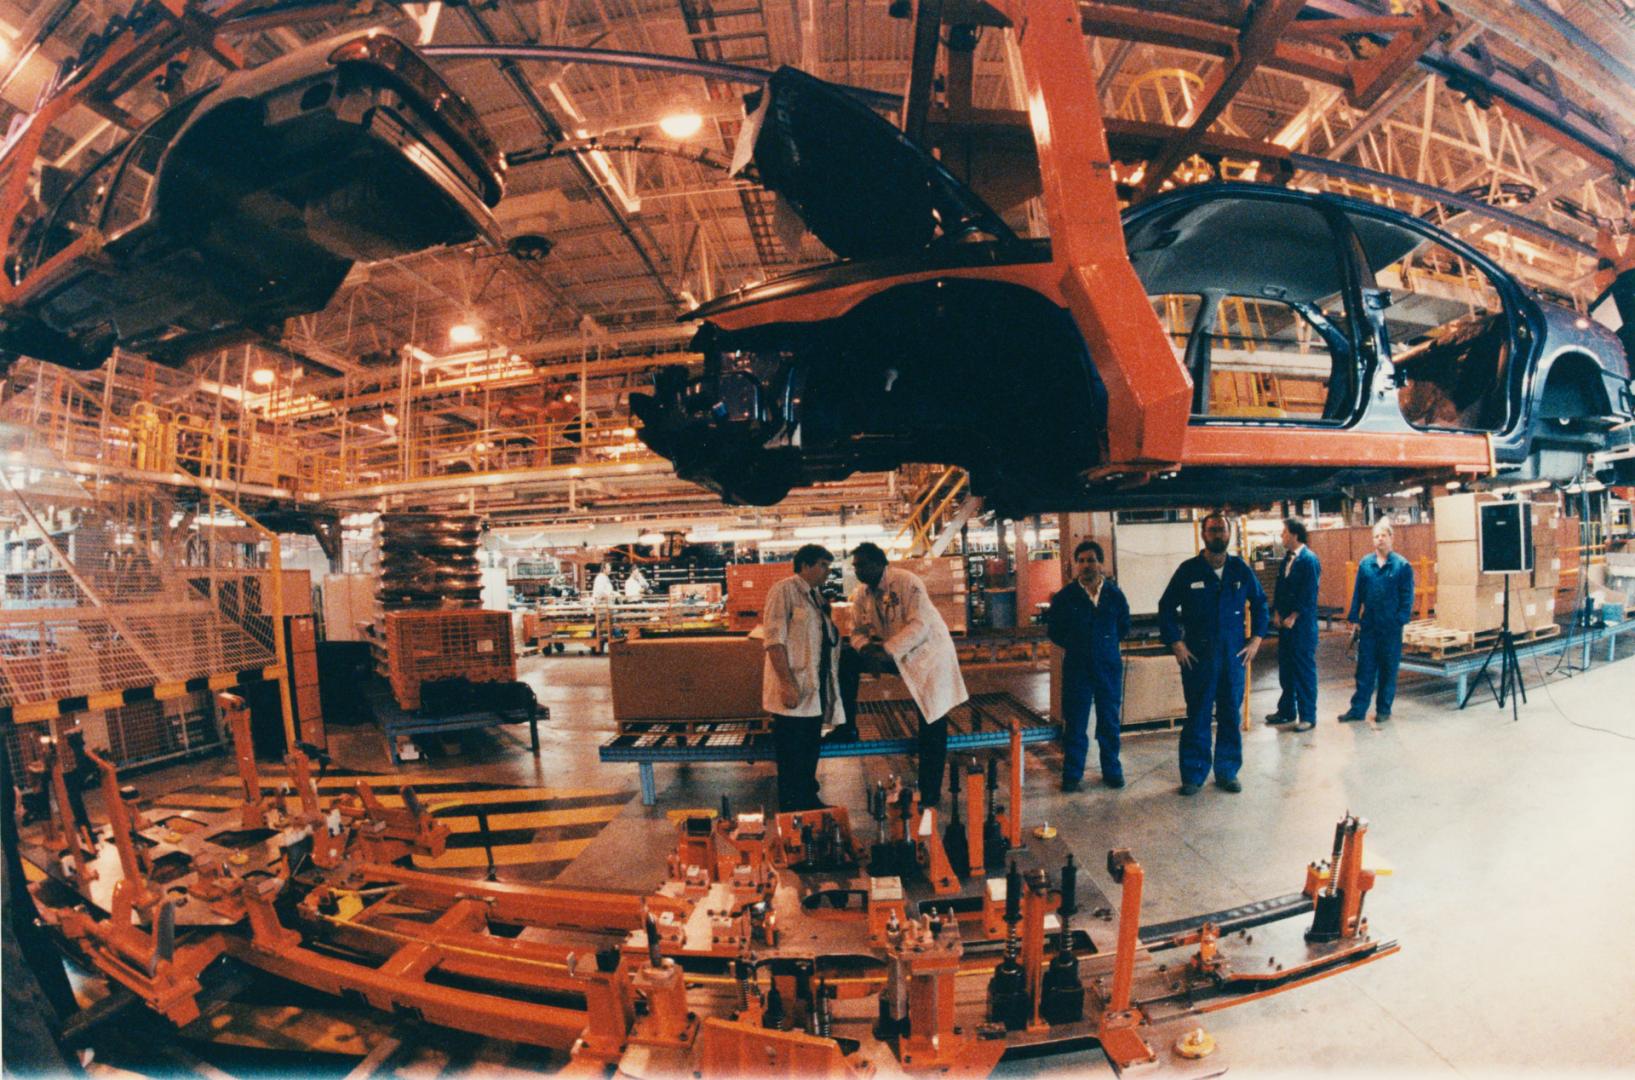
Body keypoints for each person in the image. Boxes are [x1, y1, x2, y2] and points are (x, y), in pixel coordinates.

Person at [840, 542, 968, 805]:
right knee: (845, 658)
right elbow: (856, 631)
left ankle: (931, 794)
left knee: (932, 723)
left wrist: (884, 651)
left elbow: (920, 626)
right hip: (896, 654)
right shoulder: (863, 594)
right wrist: (865, 650)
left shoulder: (907, 582)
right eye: (855, 567)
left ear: (879, 563)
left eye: (862, 565)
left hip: (927, 656)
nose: (858, 571)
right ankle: (847, 727)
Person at [1157, 512, 1270, 796]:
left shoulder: (1240, 570)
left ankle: (1227, 772)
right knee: (1198, 714)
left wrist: (1256, 639)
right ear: (1204, 534)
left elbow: (1260, 604)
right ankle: (1193, 775)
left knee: (1230, 714)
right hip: (1198, 658)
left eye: (1222, 530)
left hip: (1233, 656)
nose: (1218, 534)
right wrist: (1176, 643)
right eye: (1213, 530)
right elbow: (1166, 607)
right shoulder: (1188, 570)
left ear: (1229, 535)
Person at [760, 544, 843, 811]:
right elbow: (774, 640)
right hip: (793, 687)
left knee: (809, 750)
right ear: (805, 566)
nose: (827, 572)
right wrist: (786, 683)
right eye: (823, 565)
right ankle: (792, 808)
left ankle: (808, 800)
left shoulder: (816, 597)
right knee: (792, 754)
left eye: (829, 566)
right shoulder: (784, 590)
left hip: (814, 690)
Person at [1046, 539, 1131, 791]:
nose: (1086, 565)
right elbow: (1055, 631)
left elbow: (1123, 626)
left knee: (1109, 720)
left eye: (1091, 560)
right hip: (1077, 668)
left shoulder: (1115, 595)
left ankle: (1112, 770)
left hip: (1108, 667)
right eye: (1081, 561)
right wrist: (1078, 644)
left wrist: (1103, 645)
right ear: (1076, 565)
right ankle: (1072, 774)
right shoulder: (1065, 597)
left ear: (1101, 563)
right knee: (1075, 722)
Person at [1341, 520, 1415, 723]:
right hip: (1369, 627)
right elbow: (1358, 593)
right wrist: (1354, 617)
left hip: (1390, 628)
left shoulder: (1401, 565)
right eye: (1376, 536)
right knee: (1364, 669)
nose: (1379, 539)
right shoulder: (1366, 564)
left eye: (1383, 535)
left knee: (1388, 670)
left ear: (1391, 538)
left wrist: (1400, 619)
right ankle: (1357, 710)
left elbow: (1407, 596)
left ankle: (1383, 709)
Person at [1266, 518, 1321, 733]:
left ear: (1295, 535)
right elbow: (1280, 588)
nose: (1282, 536)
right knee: (1286, 669)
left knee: (1303, 671)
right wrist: (1278, 611)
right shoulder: (1287, 559)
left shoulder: (1309, 560)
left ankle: (1308, 716)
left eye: (1284, 533)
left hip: (1302, 627)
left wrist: (1295, 615)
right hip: (1286, 625)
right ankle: (1287, 711)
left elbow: (1309, 592)